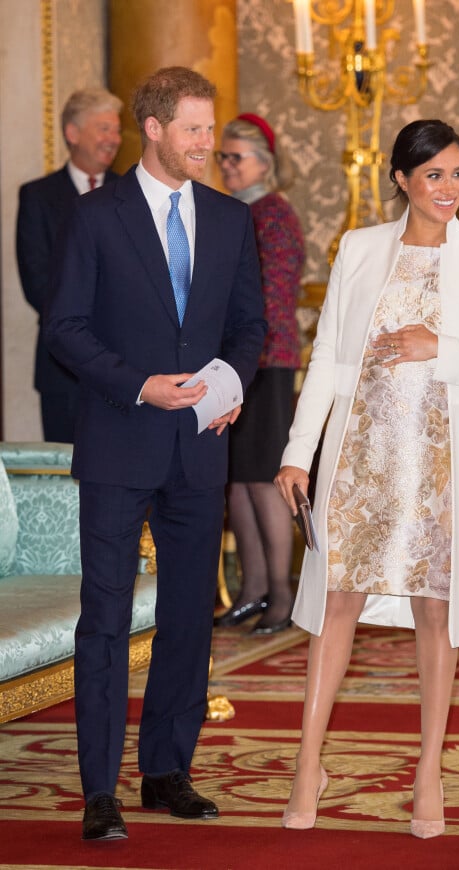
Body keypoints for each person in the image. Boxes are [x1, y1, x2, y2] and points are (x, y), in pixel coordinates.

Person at [274, 120, 459, 837]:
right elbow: (325, 358)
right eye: (434, 177)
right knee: (336, 609)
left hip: (442, 469)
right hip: (360, 461)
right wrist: (299, 452)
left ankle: (427, 771)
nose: (450, 189)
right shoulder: (359, 248)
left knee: (435, 616)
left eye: (458, 174)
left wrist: (437, 346)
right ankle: (306, 763)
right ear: (401, 181)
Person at [44, 66, 266, 842]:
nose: (210, 143)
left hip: (200, 448)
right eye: (197, 130)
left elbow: (249, 327)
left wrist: (229, 383)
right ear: (158, 129)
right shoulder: (96, 216)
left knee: (188, 620)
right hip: (118, 441)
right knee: (104, 621)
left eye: (212, 131)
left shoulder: (230, 220)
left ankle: (168, 771)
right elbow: (65, 328)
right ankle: (99, 788)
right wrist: (142, 386)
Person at [213, 113, 305, 634]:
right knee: (238, 482)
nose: (226, 165)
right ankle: (251, 590)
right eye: (222, 156)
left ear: (264, 164)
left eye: (235, 157)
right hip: (232, 364)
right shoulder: (229, 210)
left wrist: (240, 349)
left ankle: (283, 593)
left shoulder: (273, 214)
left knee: (266, 481)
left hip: (267, 361)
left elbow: (269, 295)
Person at [16, 87, 123, 442]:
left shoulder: (131, 195)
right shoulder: (38, 197)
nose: (114, 139)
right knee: (68, 476)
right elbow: (37, 283)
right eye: (104, 129)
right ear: (72, 133)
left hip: (126, 364)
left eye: (117, 130)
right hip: (61, 368)